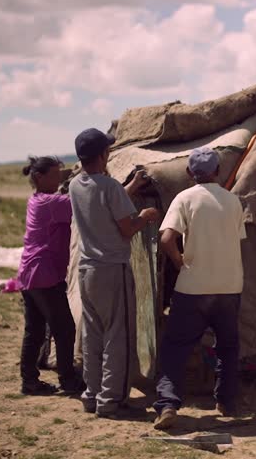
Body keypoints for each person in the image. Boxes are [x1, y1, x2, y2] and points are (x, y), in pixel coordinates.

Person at [152, 146, 247, 430]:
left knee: (176, 347)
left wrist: (179, 262)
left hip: (193, 287)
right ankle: (227, 402)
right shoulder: (233, 201)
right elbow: (237, 239)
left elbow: (166, 238)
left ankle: (168, 404)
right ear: (217, 171)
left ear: (189, 172)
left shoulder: (185, 198)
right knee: (227, 347)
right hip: (229, 286)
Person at [68, 128, 159, 418]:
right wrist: (144, 217)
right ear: (103, 155)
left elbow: (105, 204)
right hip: (112, 270)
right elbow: (126, 227)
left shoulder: (75, 185)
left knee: (93, 336)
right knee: (117, 337)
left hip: (87, 270)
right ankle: (112, 400)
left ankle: (92, 395)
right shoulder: (109, 187)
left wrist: (130, 187)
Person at [17, 156, 84, 396]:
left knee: (34, 330)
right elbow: (85, 203)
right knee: (65, 329)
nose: (59, 179)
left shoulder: (36, 199)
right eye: (54, 175)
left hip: (29, 273)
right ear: (39, 177)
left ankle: (30, 381)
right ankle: (68, 380)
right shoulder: (51, 203)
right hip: (44, 275)